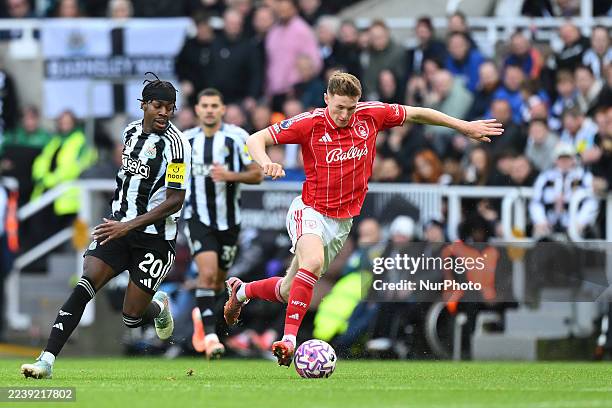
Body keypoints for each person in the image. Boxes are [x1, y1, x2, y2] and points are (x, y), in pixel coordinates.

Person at [223, 71, 503, 366]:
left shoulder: (371, 115)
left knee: (288, 289)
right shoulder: (310, 123)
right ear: (326, 99)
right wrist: (266, 162)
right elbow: (256, 138)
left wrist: (463, 126)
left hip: (341, 223)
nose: (345, 115)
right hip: (309, 210)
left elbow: (417, 113)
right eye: (339, 107)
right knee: (312, 263)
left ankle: (241, 292)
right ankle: (289, 340)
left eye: (351, 108)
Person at [20, 73, 191, 379]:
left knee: (131, 316)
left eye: (170, 107)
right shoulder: (130, 133)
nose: (165, 112)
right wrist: (119, 220)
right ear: (144, 105)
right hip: (117, 229)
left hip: (154, 239)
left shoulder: (177, 146)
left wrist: (129, 225)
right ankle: (46, 360)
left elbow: (175, 200)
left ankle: (159, 306)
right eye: (158, 105)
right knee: (85, 283)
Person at [183, 88, 263, 359]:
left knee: (217, 282)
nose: (209, 110)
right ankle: (211, 338)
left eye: (214, 105)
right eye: (204, 105)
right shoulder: (185, 141)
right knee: (206, 276)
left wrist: (229, 175)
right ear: (197, 109)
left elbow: (257, 175)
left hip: (229, 221)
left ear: (222, 109)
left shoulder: (237, 137)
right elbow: (173, 175)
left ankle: (201, 317)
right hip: (197, 217)